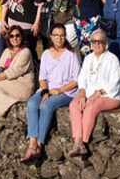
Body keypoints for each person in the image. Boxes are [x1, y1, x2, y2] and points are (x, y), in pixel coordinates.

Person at [23, 24, 80, 161]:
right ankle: (32, 142)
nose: (59, 38)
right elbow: (42, 77)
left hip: (66, 91)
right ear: (51, 37)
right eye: (56, 35)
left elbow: (77, 80)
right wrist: (45, 92)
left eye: (62, 35)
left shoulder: (71, 55)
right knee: (32, 103)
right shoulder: (46, 54)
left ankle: (39, 144)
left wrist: (59, 90)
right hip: (48, 89)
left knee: (48, 106)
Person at [68, 29, 120, 157]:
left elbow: (115, 82)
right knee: (74, 105)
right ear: (91, 44)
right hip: (89, 93)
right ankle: (77, 141)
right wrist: (81, 93)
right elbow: (82, 78)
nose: (97, 44)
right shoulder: (88, 58)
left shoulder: (112, 59)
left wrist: (99, 93)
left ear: (105, 44)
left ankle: (83, 142)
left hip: (109, 95)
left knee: (90, 107)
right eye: (94, 41)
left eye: (100, 41)